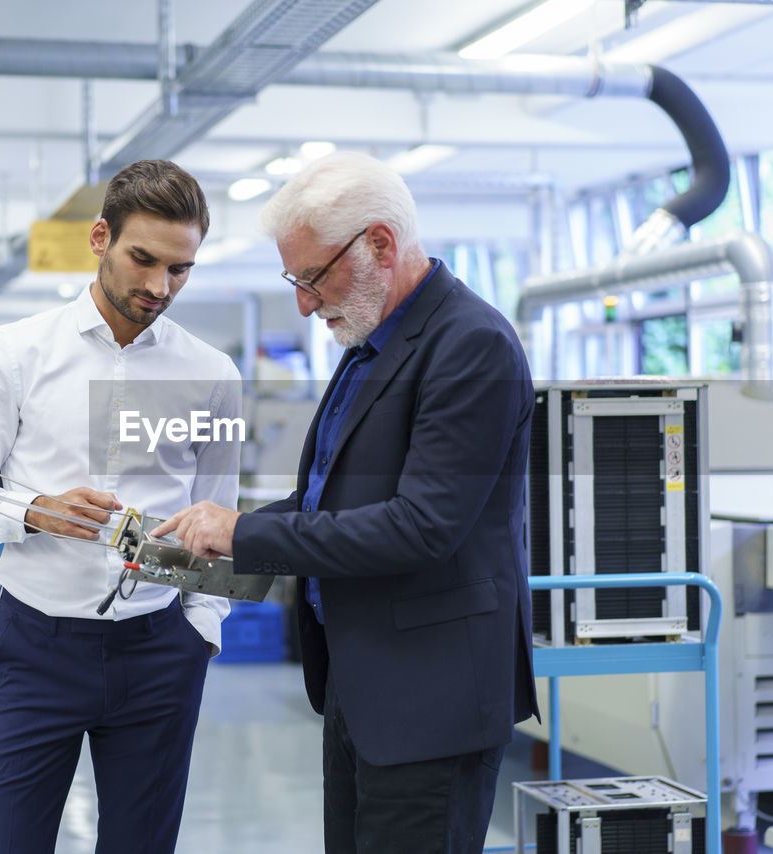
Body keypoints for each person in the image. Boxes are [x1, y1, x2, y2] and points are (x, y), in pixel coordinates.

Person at [154, 151, 538, 854]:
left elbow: (422, 529)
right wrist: (197, 541)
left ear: (381, 245)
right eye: (294, 279)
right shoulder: (367, 349)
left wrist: (243, 534)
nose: (303, 302)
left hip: (432, 702)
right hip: (362, 690)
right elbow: (323, 501)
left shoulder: (470, 346)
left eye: (312, 277)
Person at [0, 159, 240, 854]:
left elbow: (218, 519)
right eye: (143, 259)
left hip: (160, 651)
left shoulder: (213, 376)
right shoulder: (16, 353)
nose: (159, 287)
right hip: (37, 649)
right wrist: (34, 510)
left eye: (180, 269)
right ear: (100, 238)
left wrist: (199, 635)